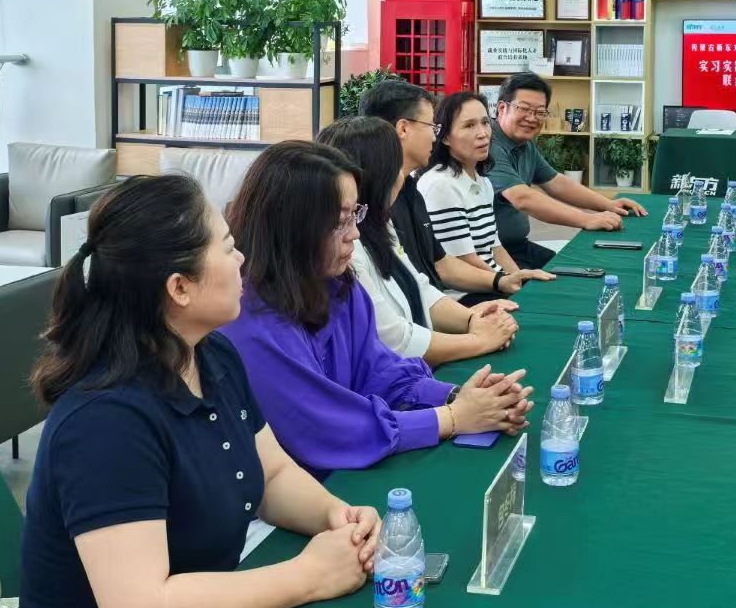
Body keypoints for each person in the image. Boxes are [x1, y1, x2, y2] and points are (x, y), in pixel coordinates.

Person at [19, 174, 381, 608]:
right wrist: (309, 575)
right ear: (180, 288)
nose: (241, 259)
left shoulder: (213, 355)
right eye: (227, 247)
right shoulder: (105, 422)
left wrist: (337, 517)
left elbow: (271, 474)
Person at [221, 141, 534, 478]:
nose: (355, 233)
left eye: (355, 214)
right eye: (339, 222)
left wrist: (460, 396)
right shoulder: (247, 319)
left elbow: (381, 373)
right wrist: (454, 417)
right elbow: (325, 428)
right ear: (291, 227)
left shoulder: (339, 287)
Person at [318, 115, 519, 365]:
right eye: (397, 165)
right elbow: (396, 340)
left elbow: (420, 287)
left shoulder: (379, 222)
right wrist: (480, 340)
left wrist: (471, 320)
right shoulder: (346, 248)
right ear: (379, 176)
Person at [359, 79, 515, 298]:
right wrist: (501, 284)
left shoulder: (410, 188)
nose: (435, 136)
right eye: (432, 127)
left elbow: (441, 264)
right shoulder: (378, 201)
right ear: (403, 128)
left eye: (485, 123)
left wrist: (508, 280)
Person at [485, 72, 647, 269]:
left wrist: (608, 204)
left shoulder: (524, 144)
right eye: (524, 109)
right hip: (489, 253)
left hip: (517, 246)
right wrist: (587, 219)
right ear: (502, 108)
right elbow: (523, 198)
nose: (531, 118)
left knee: (575, 267)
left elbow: (556, 182)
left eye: (540, 112)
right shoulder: (488, 144)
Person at [417, 91, 558, 300]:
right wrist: (506, 284)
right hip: (466, 294)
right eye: (469, 126)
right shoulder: (441, 185)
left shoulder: (483, 182)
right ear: (445, 136)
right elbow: (463, 261)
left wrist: (517, 280)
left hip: (493, 282)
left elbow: (495, 247)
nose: (482, 133)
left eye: (485, 123)